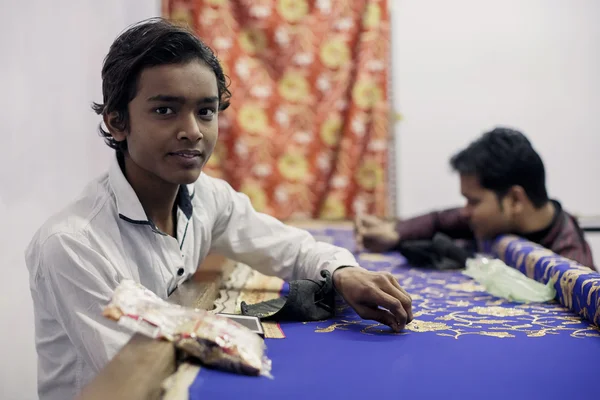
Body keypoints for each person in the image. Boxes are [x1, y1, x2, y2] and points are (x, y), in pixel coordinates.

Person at [25, 18, 412, 400]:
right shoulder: (74, 244)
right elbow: (140, 372)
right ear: (117, 122)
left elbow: (288, 249)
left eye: (206, 111)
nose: (193, 130)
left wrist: (344, 273)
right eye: (165, 110)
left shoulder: (207, 197)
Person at [355, 128, 595, 269]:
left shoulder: (569, 265)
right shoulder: (498, 219)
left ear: (514, 200)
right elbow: (439, 220)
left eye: (473, 201)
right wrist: (394, 233)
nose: (464, 211)